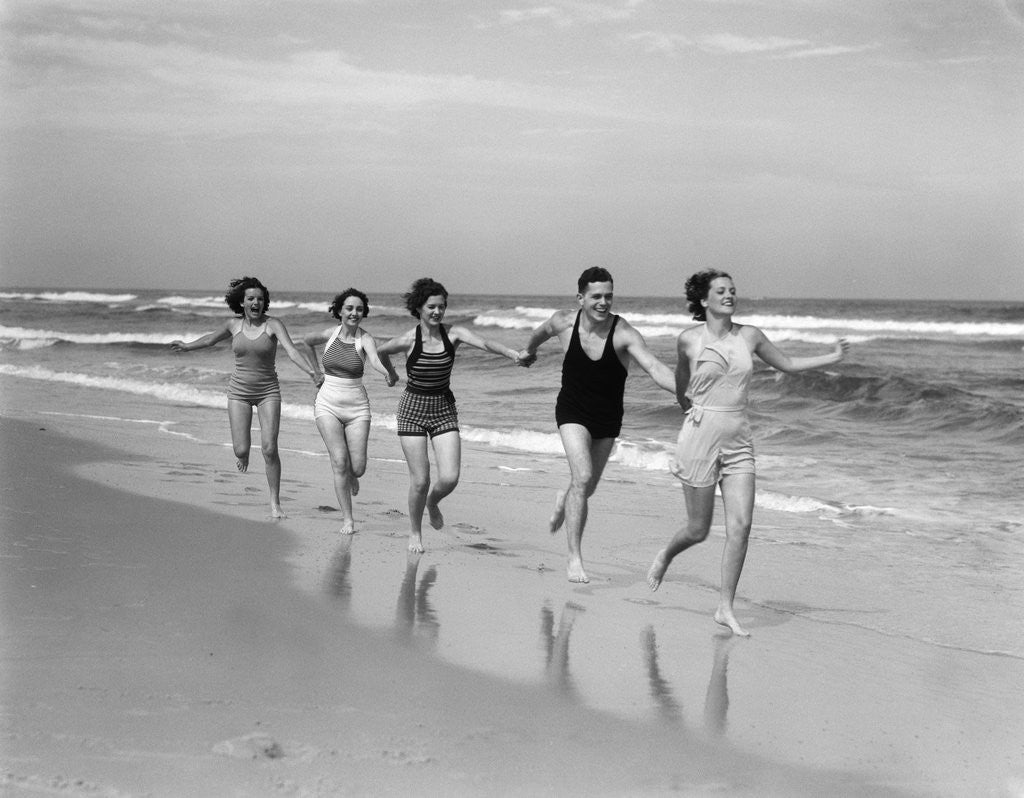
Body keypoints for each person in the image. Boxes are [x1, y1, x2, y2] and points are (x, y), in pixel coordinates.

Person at [646, 269, 850, 636]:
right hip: (700, 439)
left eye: (733, 291)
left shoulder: (751, 336)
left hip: (739, 441)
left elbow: (786, 363)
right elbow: (681, 384)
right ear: (704, 300)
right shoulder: (688, 340)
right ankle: (666, 555)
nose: (729, 295)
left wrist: (831, 357)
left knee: (741, 526)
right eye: (721, 291)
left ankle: (725, 607)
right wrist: (688, 409)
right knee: (698, 529)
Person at [519, 267, 675, 583]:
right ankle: (574, 558)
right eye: (596, 296)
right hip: (572, 410)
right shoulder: (564, 321)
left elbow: (655, 368)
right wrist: (528, 351)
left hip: (607, 417)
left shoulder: (624, 334)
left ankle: (564, 498)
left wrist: (688, 392)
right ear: (581, 298)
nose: (604, 302)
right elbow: (541, 331)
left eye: (609, 296)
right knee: (584, 475)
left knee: (585, 487)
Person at [377, 277, 528, 553]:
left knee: (449, 478)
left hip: (443, 409)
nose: (437, 312)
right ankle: (414, 532)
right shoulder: (409, 339)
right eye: (432, 306)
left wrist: (512, 353)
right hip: (412, 410)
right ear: (419, 308)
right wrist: (392, 373)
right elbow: (380, 351)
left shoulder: (453, 334)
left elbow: (484, 343)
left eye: (442, 307)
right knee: (420, 480)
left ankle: (433, 503)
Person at [171, 276, 319, 518]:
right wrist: (187, 346)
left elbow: (292, 351)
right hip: (238, 393)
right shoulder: (233, 325)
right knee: (240, 450)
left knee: (270, 449)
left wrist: (312, 372)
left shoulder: (273, 325)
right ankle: (244, 453)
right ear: (242, 302)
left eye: (260, 299)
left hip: (268, 392)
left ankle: (275, 502)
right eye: (251, 298)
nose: (256, 302)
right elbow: (210, 340)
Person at [301, 288, 400, 534]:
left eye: (358, 309)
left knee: (357, 468)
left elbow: (375, 359)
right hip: (327, 404)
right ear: (340, 311)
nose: (354, 313)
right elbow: (305, 342)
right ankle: (348, 519)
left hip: (357, 407)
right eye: (349, 308)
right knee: (339, 462)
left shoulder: (365, 339)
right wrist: (315, 371)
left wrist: (386, 372)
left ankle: (352, 476)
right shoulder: (329, 334)